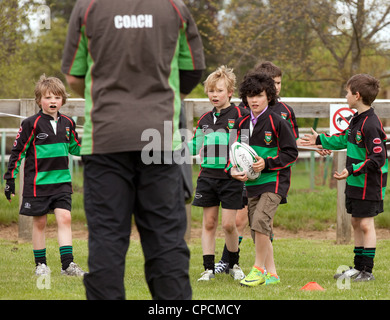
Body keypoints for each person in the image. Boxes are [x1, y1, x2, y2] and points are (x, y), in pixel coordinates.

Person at [61, 0, 205, 300]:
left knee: (107, 240)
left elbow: (74, 77)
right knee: (166, 241)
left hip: (104, 140)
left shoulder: (88, 7)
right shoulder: (174, 8)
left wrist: (107, 96)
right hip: (161, 140)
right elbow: (192, 71)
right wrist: (156, 101)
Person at [215, 61, 300, 275]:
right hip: (252, 184)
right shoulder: (242, 123)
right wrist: (233, 170)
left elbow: (291, 152)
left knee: (261, 222)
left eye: (259, 95)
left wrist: (267, 163)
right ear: (245, 97)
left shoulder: (278, 121)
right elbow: (232, 153)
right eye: (250, 96)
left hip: (274, 181)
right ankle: (271, 273)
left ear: (269, 96)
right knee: (257, 229)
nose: (254, 100)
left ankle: (257, 269)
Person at [301, 74, 387, 282]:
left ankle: (368, 271)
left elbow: (378, 158)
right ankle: (358, 268)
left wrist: (353, 169)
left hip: (369, 185)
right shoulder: (357, 119)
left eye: (347, 92)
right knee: (356, 222)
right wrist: (319, 139)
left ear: (357, 95)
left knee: (366, 224)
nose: (345, 96)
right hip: (354, 181)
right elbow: (343, 140)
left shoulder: (372, 124)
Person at [3, 74, 84, 276]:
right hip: (37, 183)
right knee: (39, 223)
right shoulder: (32, 123)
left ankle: (68, 265)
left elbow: (75, 147)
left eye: (56, 97)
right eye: (47, 97)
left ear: (63, 100)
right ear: (39, 100)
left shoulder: (68, 123)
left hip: (62, 182)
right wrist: (9, 179)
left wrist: (97, 149)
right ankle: (41, 265)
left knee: (64, 218)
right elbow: (18, 152)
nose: (52, 101)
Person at [189, 66, 248, 281]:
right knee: (209, 223)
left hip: (231, 179)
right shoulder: (204, 119)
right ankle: (208, 268)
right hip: (207, 178)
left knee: (228, 225)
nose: (215, 95)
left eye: (220, 91)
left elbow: (244, 148)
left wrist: (236, 169)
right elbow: (194, 147)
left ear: (230, 92)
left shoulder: (241, 116)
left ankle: (234, 264)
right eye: (211, 91)